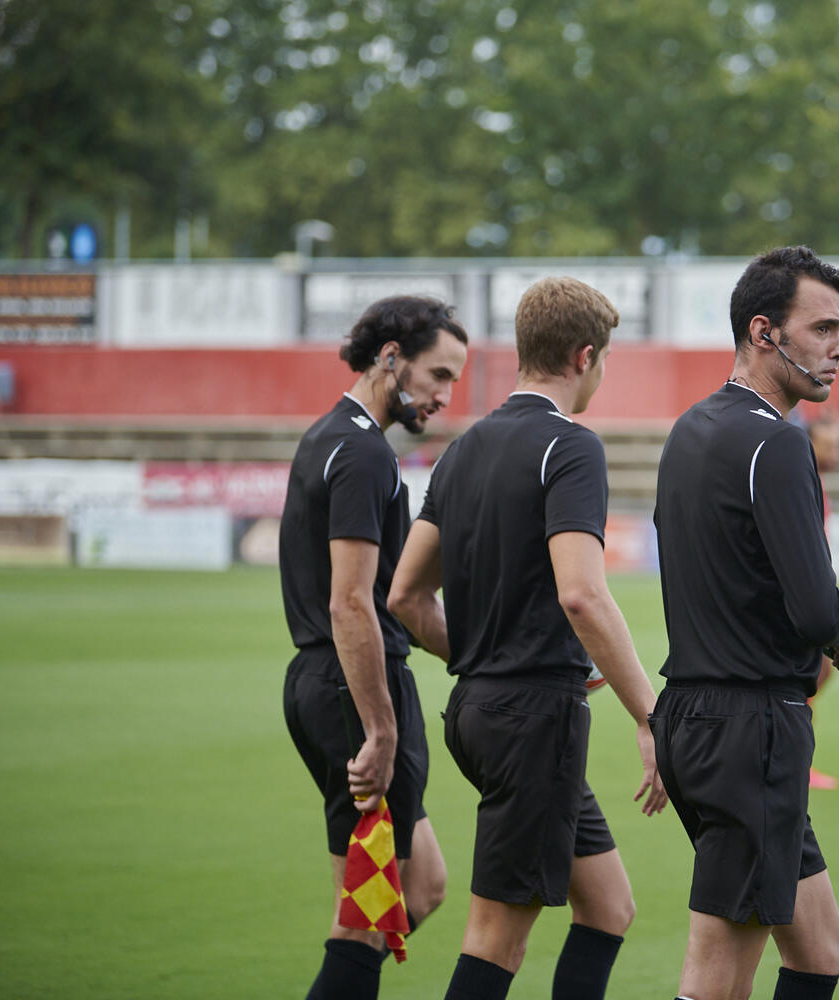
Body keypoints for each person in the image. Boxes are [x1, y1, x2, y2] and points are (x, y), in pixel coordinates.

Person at [387, 277, 668, 1000]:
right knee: (496, 940)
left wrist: (483, 654)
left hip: (477, 713)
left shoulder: (464, 449)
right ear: (584, 356)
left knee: (608, 907)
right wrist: (650, 716)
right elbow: (582, 593)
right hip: (532, 721)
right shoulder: (572, 447)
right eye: (605, 359)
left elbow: (405, 595)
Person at [651, 245, 839, 1000]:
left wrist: (834, 630)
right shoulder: (778, 441)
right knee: (717, 977)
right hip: (749, 727)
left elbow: (746, 583)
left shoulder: (691, 428)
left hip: (692, 717)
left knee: (819, 950)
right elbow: (816, 610)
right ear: (764, 331)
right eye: (823, 328)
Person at [279, 296, 469, 999]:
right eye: (438, 375)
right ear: (390, 358)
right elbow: (352, 602)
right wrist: (381, 729)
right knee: (363, 919)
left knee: (422, 887)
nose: (445, 397)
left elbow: (393, 600)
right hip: (354, 692)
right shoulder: (362, 453)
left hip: (332, 682)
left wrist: (485, 659)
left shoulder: (331, 437)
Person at [807, 411, 839, 791]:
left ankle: (795, 758)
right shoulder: (806, 483)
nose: (837, 453)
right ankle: (795, 759)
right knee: (812, 672)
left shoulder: (816, 483)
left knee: (818, 673)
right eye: (829, 445)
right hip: (800, 597)